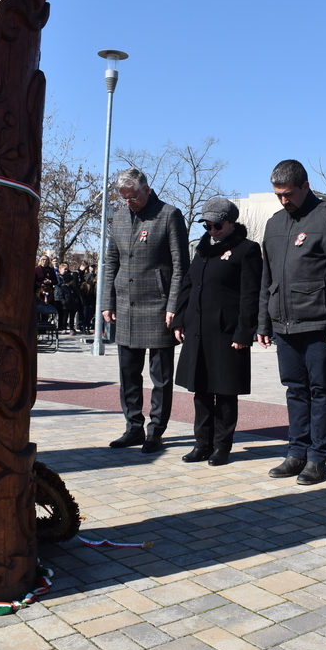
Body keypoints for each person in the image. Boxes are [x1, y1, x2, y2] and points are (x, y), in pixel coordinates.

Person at [257, 160, 326, 485]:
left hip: (319, 324)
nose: (283, 200)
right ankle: (296, 453)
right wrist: (263, 323)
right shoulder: (273, 223)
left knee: (320, 389)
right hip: (284, 324)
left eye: (288, 194)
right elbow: (267, 277)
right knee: (294, 389)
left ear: (305, 185)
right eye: (278, 195)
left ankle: (316, 458)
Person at [101, 168, 189, 453]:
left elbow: (180, 266)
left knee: (160, 377)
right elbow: (111, 262)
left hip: (159, 307)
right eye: (124, 198)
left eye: (133, 197)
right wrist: (107, 302)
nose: (129, 202)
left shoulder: (169, 215)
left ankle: (156, 431)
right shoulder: (119, 218)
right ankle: (133, 427)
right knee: (128, 373)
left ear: (147, 189)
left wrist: (174, 305)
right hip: (126, 307)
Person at [173, 198, 262, 466]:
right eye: (207, 226)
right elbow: (188, 285)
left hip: (226, 332)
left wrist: (244, 333)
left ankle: (222, 446)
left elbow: (250, 295)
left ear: (231, 223)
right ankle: (202, 443)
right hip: (198, 330)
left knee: (225, 391)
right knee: (200, 390)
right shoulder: (201, 250)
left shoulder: (246, 250)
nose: (212, 231)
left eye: (217, 226)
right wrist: (180, 319)